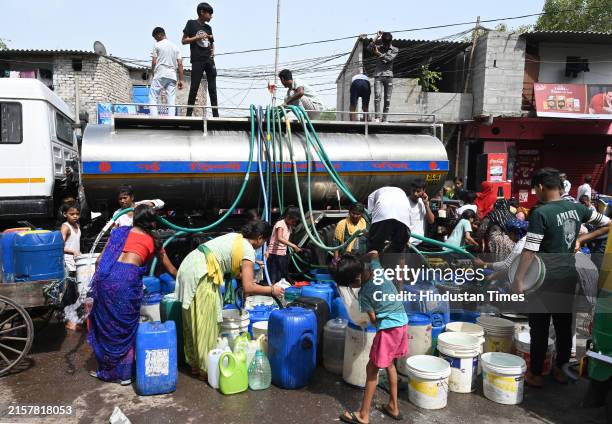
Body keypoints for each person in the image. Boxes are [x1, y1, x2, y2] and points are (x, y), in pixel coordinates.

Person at [512, 168, 610, 388]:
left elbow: (530, 249)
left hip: (543, 279)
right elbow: (607, 223)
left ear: (540, 187)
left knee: (539, 328)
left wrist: (518, 280)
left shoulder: (541, 212)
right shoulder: (576, 207)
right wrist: (582, 239)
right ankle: (561, 370)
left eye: (535, 189)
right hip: (568, 276)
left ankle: (536, 374)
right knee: (565, 326)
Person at [175, 220, 284, 375]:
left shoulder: (237, 238)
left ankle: (194, 364)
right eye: (264, 241)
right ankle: (207, 370)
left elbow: (229, 262)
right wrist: (271, 290)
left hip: (190, 266)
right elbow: (248, 286)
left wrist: (250, 264)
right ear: (259, 238)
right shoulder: (248, 250)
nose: (263, 244)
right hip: (203, 272)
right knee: (207, 322)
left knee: (194, 319)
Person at [88, 205, 178, 385]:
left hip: (105, 277)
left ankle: (108, 369)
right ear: (152, 222)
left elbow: (99, 260)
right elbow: (172, 269)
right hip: (127, 279)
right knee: (126, 326)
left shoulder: (119, 232)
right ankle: (125, 374)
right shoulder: (154, 241)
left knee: (108, 323)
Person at [332, 251, 408, 424]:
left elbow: (373, 320)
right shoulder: (377, 269)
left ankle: (363, 415)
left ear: (354, 283)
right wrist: (360, 259)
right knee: (389, 364)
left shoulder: (364, 293)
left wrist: (373, 319)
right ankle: (393, 407)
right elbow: (374, 253)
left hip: (388, 328)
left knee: (371, 369)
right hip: (402, 322)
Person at [183, 2, 218, 117]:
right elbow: (184, 41)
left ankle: (216, 115)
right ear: (202, 12)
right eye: (210, 14)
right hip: (197, 59)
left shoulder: (209, 28)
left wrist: (213, 52)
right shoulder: (191, 23)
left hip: (209, 60)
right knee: (194, 87)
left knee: (212, 89)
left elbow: (211, 43)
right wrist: (197, 37)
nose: (211, 16)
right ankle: (188, 115)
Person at [149, 27, 184, 116]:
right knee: (171, 99)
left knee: (153, 96)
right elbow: (180, 64)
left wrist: (153, 72)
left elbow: (154, 61)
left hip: (160, 73)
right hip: (172, 75)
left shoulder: (157, 45)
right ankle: (171, 118)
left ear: (160, 34)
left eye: (156, 38)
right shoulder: (176, 47)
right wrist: (181, 80)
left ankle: (154, 117)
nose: (156, 40)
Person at [366, 187, 411, 255]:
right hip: (403, 215)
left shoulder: (373, 194)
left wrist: (372, 233)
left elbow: (371, 214)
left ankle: (375, 263)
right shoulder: (402, 193)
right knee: (400, 248)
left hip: (383, 211)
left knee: (374, 246)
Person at [367, 31, 398, 122]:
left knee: (387, 99)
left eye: (387, 43)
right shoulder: (379, 47)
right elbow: (369, 47)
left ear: (390, 41)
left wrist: (378, 53)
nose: (386, 45)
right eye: (385, 43)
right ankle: (377, 117)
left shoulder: (395, 49)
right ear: (383, 42)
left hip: (389, 76)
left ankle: (384, 119)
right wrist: (376, 36)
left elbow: (388, 59)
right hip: (378, 75)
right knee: (377, 96)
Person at [61, 202, 82, 331]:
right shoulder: (66, 227)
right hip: (67, 263)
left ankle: (74, 318)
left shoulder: (77, 226)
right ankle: (68, 320)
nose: (75, 216)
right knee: (68, 293)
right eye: (72, 214)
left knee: (75, 293)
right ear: (65, 214)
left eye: (77, 214)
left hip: (76, 263)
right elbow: (60, 245)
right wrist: (73, 252)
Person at [266, 206, 302, 283]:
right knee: (274, 275)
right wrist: (294, 246)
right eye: (293, 221)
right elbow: (280, 238)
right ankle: (272, 290)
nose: (294, 223)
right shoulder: (280, 224)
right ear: (288, 217)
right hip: (275, 253)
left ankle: (278, 288)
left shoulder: (288, 225)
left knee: (280, 274)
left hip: (281, 253)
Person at [406, 179, 436, 246]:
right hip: (407, 244)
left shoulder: (423, 202)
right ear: (410, 189)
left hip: (420, 243)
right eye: (413, 191)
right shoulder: (405, 202)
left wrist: (426, 204)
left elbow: (431, 220)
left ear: (424, 191)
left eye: (418, 191)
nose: (415, 194)